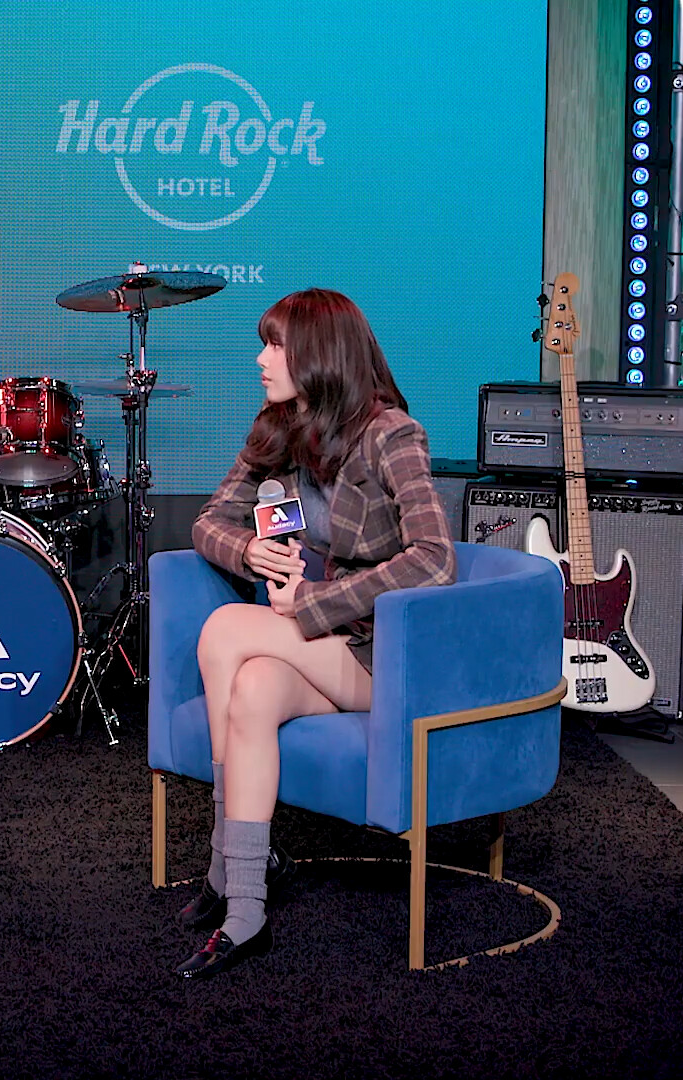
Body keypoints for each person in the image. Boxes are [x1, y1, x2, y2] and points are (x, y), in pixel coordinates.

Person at [175, 288, 455, 978]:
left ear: (319, 355)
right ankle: (246, 909)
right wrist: (250, 551)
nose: (261, 360)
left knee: (224, 631)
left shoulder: (391, 434)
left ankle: (223, 862)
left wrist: (312, 601)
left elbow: (434, 559)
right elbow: (210, 522)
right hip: (329, 650)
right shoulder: (280, 427)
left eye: (275, 346)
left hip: (385, 653)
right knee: (253, 689)